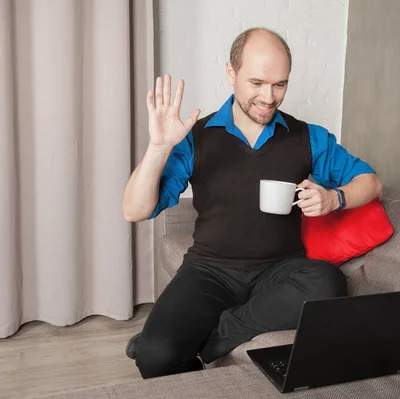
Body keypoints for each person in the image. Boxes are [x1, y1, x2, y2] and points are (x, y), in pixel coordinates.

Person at [121, 27, 383, 379]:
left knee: (328, 282)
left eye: (280, 84)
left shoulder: (308, 137)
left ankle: (213, 338)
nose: (269, 96)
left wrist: (335, 198)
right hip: (209, 270)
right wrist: (159, 147)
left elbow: (372, 182)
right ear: (231, 73)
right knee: (155, 357)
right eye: (257, 82)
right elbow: (134, 210)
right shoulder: (196, 137)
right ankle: (170, 339)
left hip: (280, 271)